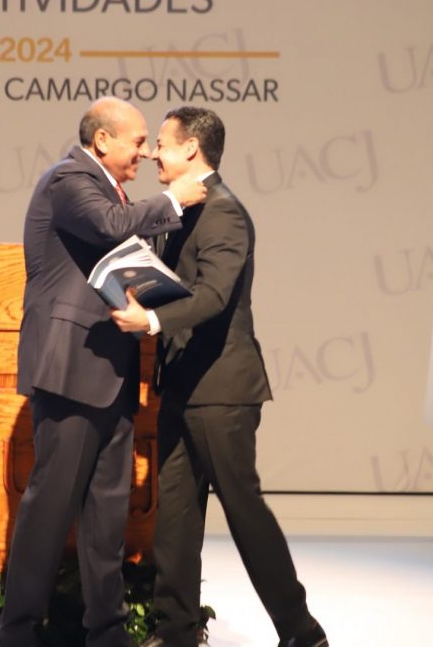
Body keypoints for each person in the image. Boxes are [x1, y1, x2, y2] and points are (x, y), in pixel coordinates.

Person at [111, 107, 328, 647]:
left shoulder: (224, 212)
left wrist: (150, 321)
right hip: (182, 386)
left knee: (243, 510)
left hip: (222, 391)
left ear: (191, 149)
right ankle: (176, 631)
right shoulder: (181, 210)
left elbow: (212, 296)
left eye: (162, 143)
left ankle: (302, 632)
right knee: (176, 516)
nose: (153, 153)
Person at [0, 97, 207, 647]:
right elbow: (109, 225)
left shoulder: (109, 188)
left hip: (111, 372)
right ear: (102, 140)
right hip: (70, 369)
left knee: (107, 514)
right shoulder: (69, 179)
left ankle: (107, 633)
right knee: (50, 507)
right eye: (137, 142)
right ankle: (17, 633)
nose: (145, 153)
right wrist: (173, 199)